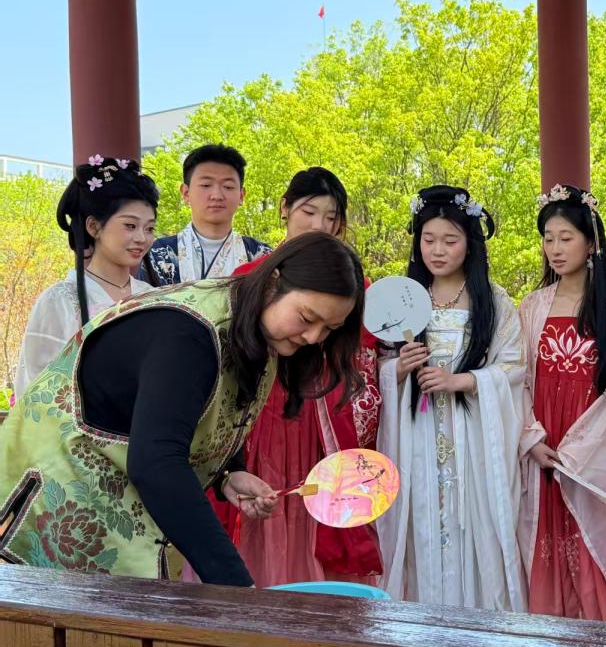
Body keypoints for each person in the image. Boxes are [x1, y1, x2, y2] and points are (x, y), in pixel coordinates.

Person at [0, 232, 366, 586]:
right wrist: (236, 586)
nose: (313, 337)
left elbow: (206, 409)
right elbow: (156, 462)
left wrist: (229, 474)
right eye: (306, 318)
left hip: (116, 490)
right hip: (53, 485)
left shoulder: (251, 323)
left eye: (329, 329)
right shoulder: (189, 332)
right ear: (273, 282)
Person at [218, 167, 383, 587]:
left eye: (331, 218)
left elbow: (362, 360)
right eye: (309, 212)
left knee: (318, 508)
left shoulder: (354, 284)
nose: (320, 225)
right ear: (285, 209)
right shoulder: (249, 276)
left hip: (321, 416)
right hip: (259, 414)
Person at [376, 186, 527, 610]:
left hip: (472, 437)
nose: (438, 251)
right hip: (417, 433)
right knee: (420, 518)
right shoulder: (402, 298)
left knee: (472, 524)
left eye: (450, 240)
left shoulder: (493, 301)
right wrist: (398, 370)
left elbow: (515, 366)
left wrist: (461, 381)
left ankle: (477, 626)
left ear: (470, 244)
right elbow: (376, 368)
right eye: (429, 240)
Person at [518, 185, 606, 625]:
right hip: (546, 440)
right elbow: (517, 380)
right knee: (546, 537)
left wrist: (586, 445)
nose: (556, 249)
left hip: (596, 446)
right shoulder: (531, 307)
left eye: (566, 238)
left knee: (593, 542)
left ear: (591, 242)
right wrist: (530, 437)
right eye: (548, 238)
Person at [14, 155, 158, 399]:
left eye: (150, 228)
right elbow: (37, 391)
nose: (142, 238)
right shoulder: (59, 301)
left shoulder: (153, 296)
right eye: (130, 226)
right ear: (93, 226)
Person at [143, 144, 270, 285]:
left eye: (228, 187)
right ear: (186, 193)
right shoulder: (158, 254)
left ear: (241, 195)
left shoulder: (261, 255)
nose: (217, 195)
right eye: (206, 185)